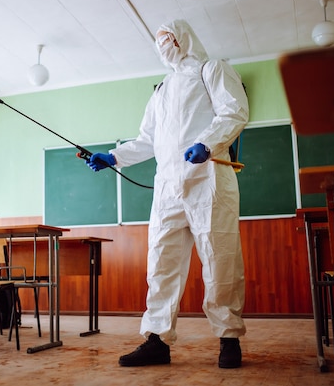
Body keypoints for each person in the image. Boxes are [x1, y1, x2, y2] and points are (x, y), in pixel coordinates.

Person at [86, 19, 248, 368]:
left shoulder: (212, 69)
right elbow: (147, 139)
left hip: (210, 179)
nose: (163, 46)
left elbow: (235, 111)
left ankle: (228, 338)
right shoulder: (160, 89)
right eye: (158, 41)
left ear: (183, 38)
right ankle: (157, 340)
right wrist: (114, 156)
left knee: (220, 260)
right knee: (161, 264)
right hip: (168, 188)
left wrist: (207, 143)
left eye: (168, 39)